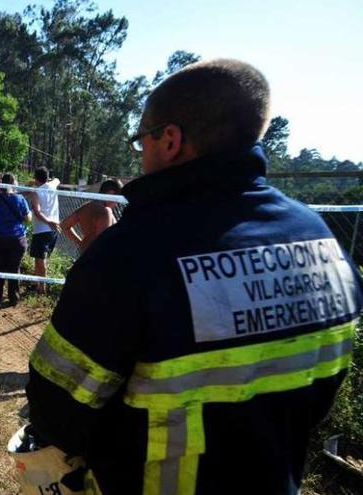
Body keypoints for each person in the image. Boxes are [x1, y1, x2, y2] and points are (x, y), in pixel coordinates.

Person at [25, 59, 363, 495]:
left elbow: (56, 411)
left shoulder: (131, 254)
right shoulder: (322, 244)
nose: (140, 155)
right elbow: (320, 390)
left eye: (140, 141)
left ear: (169, 140)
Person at [0, 172, 31, 306]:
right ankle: (13, 298)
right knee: (14, 269)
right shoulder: (20, 199)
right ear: (13, 183)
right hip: (17, 239)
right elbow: (28, 219)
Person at [58, 179, 122, 256]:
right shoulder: (106, 211)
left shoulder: (86, 207)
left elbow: (64, 225)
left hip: (84, 252)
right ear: (110, 194)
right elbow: (104, 241)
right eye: (117, 198)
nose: (117, 203)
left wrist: (80, 242)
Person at [28, 167, 61, 294]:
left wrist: (48, 222)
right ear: (47, 177)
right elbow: (57, 180)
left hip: (42, 229)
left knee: (40, 260)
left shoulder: (36, 192)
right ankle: (38, 285)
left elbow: (36, 211)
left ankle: (41, 287)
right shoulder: (52, 185)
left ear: (35, 178)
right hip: (53, 230)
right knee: (40, 259)